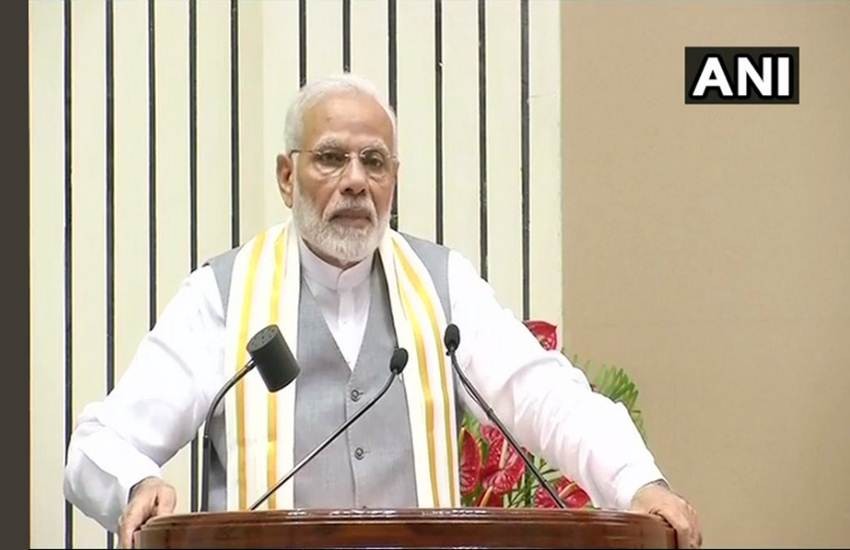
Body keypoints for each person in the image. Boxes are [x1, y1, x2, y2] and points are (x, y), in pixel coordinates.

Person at [64, 73, 702, 548]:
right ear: (287, 176)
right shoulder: (223, 295)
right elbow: (99, 444)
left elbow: (543, 394)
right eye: (331, 158)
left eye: (374, 162)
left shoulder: (441, 284)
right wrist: (135, 485)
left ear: (393, 179)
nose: (355, 181)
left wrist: (637, 482)